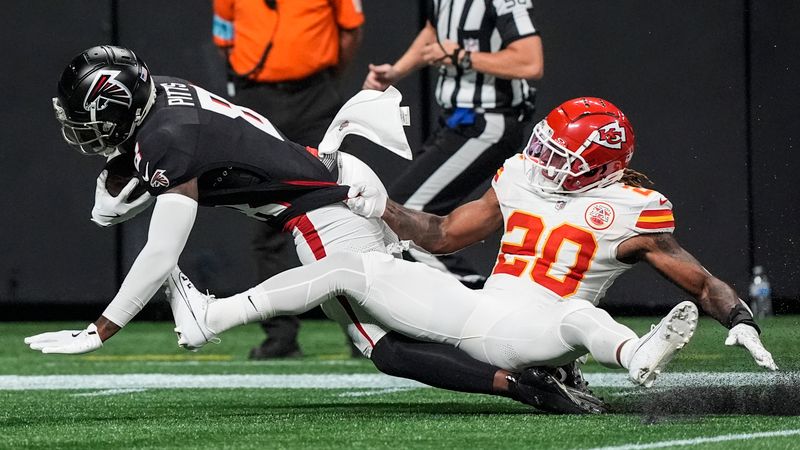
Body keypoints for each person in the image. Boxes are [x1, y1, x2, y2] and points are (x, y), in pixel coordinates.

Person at [25, 45, 602, 415]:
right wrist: (124, 180)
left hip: (322, 211)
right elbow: (162, 157)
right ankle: (540, 358)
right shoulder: (165, 101)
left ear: (119, 106)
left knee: (385, 346)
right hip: (333, 182)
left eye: (87, 119)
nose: (81, 131)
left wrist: (101, 328)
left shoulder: (168, 140)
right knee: (422, 302)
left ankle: (528, 383)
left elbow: (160, 251)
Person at [154, 97, 776, 394]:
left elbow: (699, 281)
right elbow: (445, 234)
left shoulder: (631, 210)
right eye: (546, 146)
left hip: (540, 328)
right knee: (349, 266)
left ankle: (636, 355)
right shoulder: (523, 176)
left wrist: (738, 316)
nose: (542, 159)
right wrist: (384, 208)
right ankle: (215, 314)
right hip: (476, 306)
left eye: (561, 155)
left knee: (579, 314)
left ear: (601, 168)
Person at [213, 0, 364, 359]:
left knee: (340, 211)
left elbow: (350, 32)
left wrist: (323, 77)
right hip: (258, 99)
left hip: (315, 97)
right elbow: (225, 39)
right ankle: (280, 337)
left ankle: (363, 330)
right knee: (265, 218)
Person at [363, 0, 544, 288]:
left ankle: (474, 304)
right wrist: (396, 71)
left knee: (406, 217)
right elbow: (433, 31)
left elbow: (530, 61)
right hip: (456, 121)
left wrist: (462, 56)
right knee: (404, 216)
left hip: (489, 120)